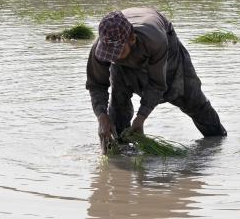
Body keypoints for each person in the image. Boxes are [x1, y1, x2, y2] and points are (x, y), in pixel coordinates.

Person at [86, 8, 226, 149]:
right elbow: (96, 85)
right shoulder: (101, 50)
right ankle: (121, 157)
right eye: (108, 53)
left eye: (117, 52)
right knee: (117, 110)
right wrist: (102, 117)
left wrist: (140, 118)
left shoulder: (154, 40)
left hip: (167, 50)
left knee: (192, 99)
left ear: (132, 39)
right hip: (125, 61)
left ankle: (218, 144)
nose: (112, 57)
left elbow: (157, 85)